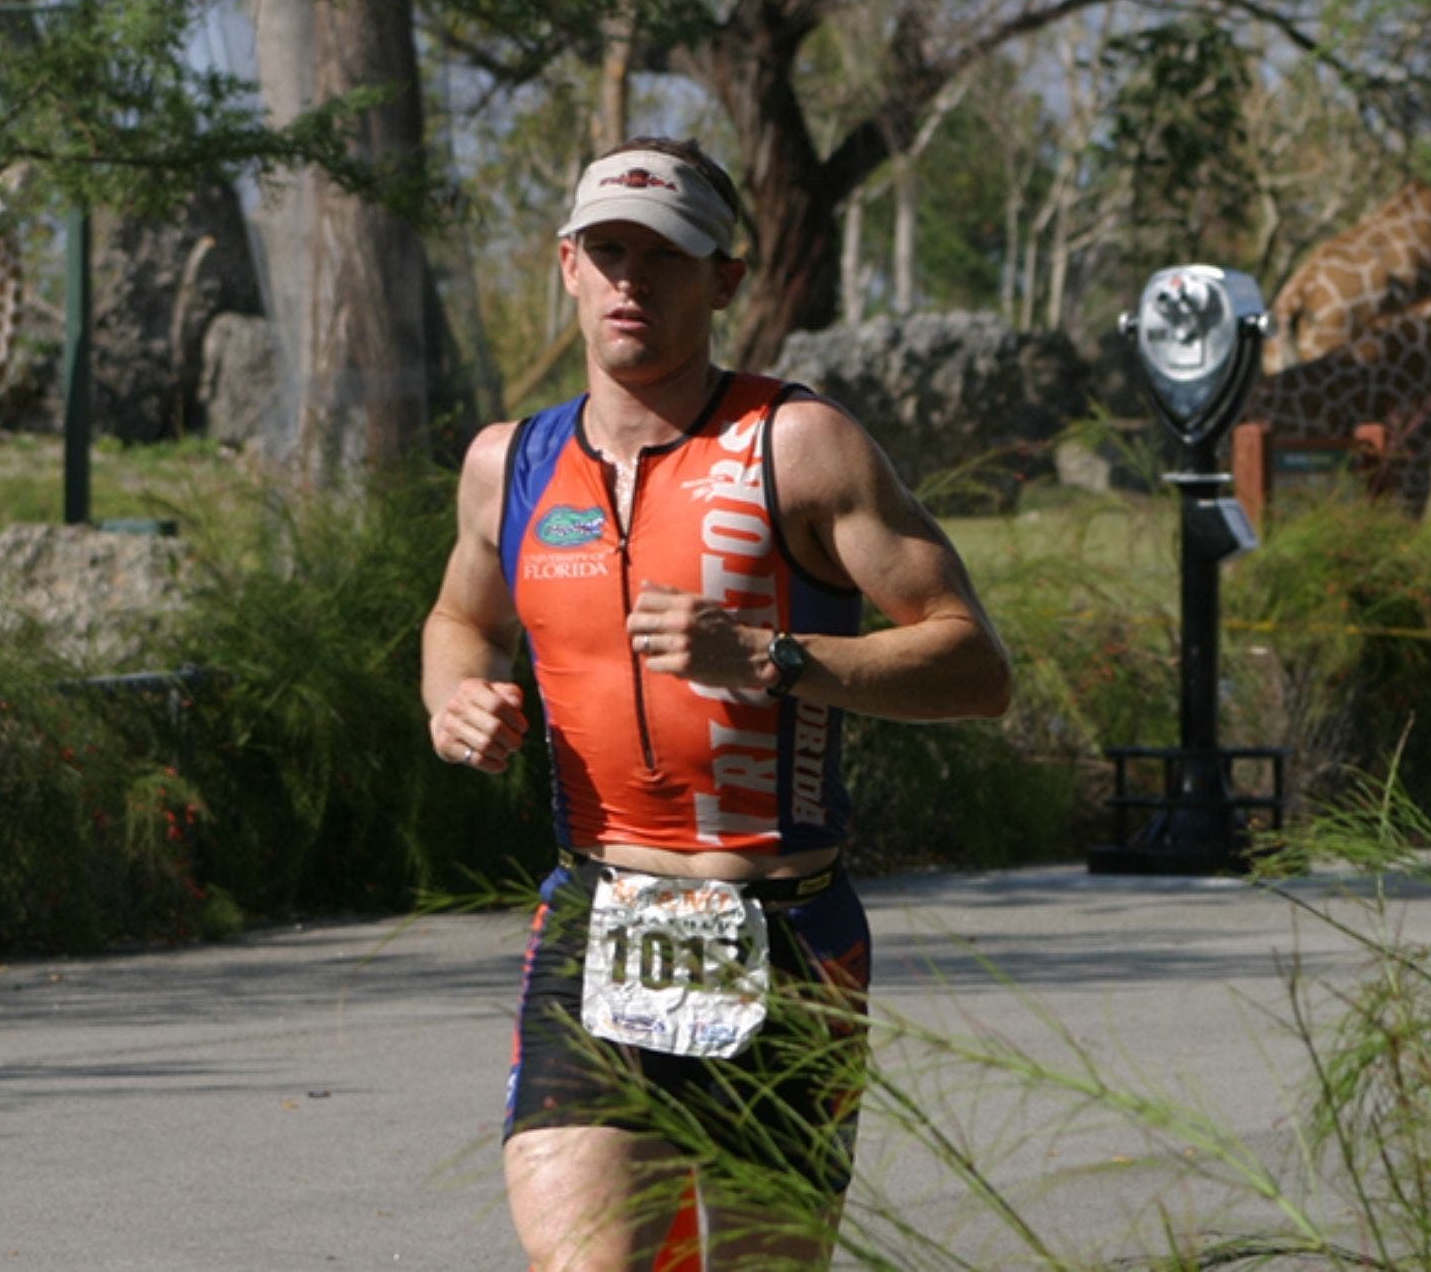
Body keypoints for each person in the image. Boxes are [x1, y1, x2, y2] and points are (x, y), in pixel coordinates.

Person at [421, 137, 1012, 1270]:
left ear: (724, 279)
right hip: (599, 916)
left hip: (786, 929)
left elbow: (974, 667)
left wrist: (774, 658)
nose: (633, 281)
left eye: (667, 256)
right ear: (568, 267)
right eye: (610, 251)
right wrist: (455, 701)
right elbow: (459, 620)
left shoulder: (800, 447)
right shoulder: (512, 462)